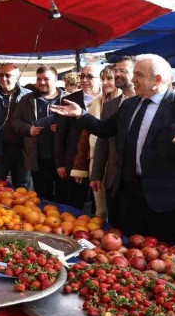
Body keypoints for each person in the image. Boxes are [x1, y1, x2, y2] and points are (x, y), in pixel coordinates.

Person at [51, 54, 175, 246]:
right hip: (129, 194)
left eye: (139, 75)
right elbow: (105, 129)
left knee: (165, 253)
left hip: (164, 199)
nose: (133, 79)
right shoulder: (130, 104)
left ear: (157, 79)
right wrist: (81, 115)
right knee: (129, 248)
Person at [91, 57, 136, 224]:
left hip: (139, 182)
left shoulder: (146, 103)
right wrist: (97, 174)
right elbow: (103, 140)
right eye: (116, 70)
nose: (117, 74)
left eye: (123, 71)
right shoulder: (110, 105)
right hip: (114, 179)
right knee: (115, 225)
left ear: (136, 74)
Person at [71, 65, 120, 218]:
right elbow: (84, 139)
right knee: (100, 207)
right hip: (95, 159)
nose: (105, 83)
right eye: (103, 79)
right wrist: (79, 166)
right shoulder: (96, 104)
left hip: (116, 162)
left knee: (116, 207)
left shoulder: (126, 103)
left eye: (110, 78)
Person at [12, 66, 66, 203]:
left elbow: (79, 124)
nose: (42, 82)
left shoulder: (67, 99)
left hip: (63, 157)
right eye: (39, 79)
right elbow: (15, 121)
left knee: (63, 194)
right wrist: (28, 129)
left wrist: (63, 128)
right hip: (37, 156)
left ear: (55, 79)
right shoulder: (27, 99)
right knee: (42, 195)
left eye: (46, 79)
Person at [55, 64, 102, 210]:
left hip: (99, 161)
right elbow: (60, 134)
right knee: (74, 203)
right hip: (74, 161)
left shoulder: (108, 99)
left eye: (89, 76)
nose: (85, 80)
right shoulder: (69, 100)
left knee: (98, 206)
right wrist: (60, 163)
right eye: (82, 76)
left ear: (100, 79)